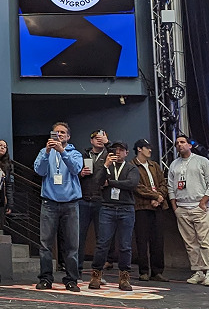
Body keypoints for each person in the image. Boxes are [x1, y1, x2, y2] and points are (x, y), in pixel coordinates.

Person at [33, 121, 84, 292]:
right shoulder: (44, 152)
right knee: (45, 244)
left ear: (68, 136)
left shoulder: (75, 153)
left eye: (63, 132)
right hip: (49, 202)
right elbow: (39, 171)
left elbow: (76, 169)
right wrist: (48, 152)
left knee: (71, 245)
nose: (59, 135)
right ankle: (45, 278)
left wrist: (62, 151)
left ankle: (71, 279)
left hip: (70, 204)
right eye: (56, 132)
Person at [168, 134, 209, 287]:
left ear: (190, 145)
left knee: (205, 241)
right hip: (182, 208)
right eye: (177, 143)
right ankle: (198, 271)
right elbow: (170, 186)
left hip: (199, 207)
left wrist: (204, 201)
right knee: (190, 243)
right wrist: (175, 207)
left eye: (183, 142)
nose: (179, 145)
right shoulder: (174, 164)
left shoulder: (202, 161)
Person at [90, 140, 140, 291]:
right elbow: (96, 182)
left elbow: (131, 184)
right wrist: (105, 165)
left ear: (127, 153)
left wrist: (110, 182)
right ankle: (96, 275)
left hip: (126, 208)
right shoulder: (106, 166)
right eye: (115, 150)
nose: (118, 152)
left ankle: (124, 277)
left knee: (125, 245)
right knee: (102, 244)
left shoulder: (131, 168)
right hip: (107, 207)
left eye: (121, 150)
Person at [132, 139, 169, 282]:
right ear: (139, 149)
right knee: (142, 240)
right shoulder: (132, 166)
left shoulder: (155, 165)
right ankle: (144, 271)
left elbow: (163, 183)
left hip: (158, 206)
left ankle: (157, 271)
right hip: (141, 207)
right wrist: (155, 196)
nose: (150, 150)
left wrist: (159, 197)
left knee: (158, 240)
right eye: (147, 148)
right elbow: (137, 186)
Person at [78, 129, 109, 271]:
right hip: (83, 199)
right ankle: (77, 270)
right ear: (91, 141)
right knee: (79, 237)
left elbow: (117, 162)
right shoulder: (83, 155)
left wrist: (108, 144)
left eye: (102, 138)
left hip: (101, 200)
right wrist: (80, 174)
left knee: (102, 238)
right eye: (97, 138)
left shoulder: (109, 155)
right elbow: (72, 174)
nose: (99, 140)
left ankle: (98, 271)